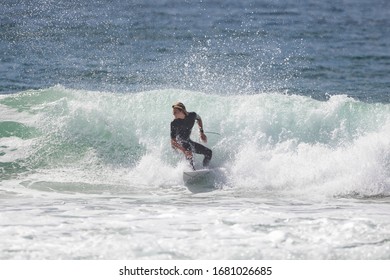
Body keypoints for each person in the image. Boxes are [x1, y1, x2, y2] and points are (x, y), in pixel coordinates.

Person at [170, 102, 212, 170]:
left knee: (208, 152)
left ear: (181, 111)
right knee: (189, 152)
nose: (173, 114)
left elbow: (199, 118)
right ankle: (191, 170)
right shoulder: (174, 123)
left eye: (175, 112)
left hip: (188, 141)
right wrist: (184, 151)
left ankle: (205, 168)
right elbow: (173, 142)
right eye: (173, 112)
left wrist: (201, 132)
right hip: (179, 144)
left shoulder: (192, 115)